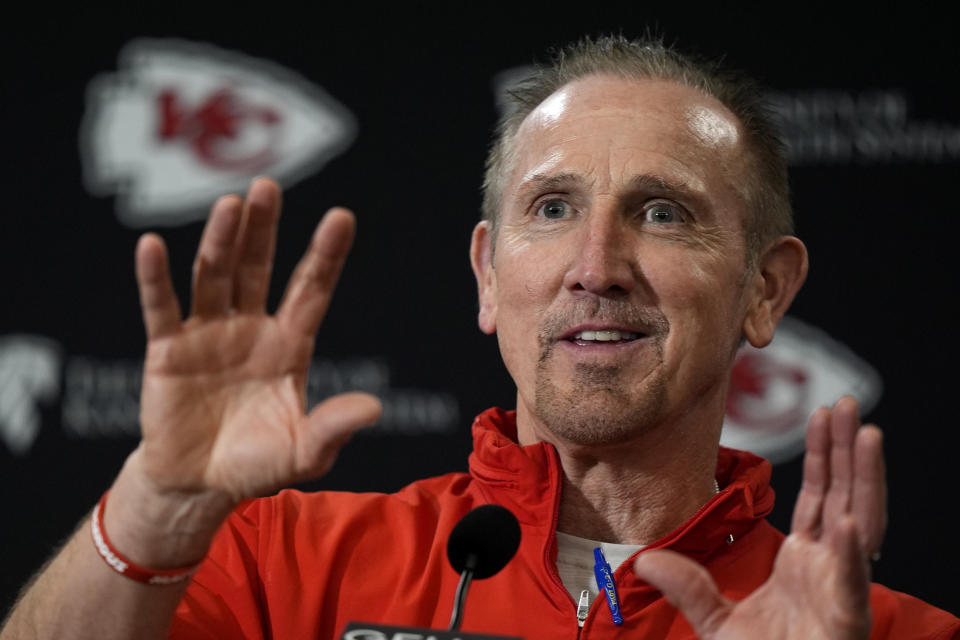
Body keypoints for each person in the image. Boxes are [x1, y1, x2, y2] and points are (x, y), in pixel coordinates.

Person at [2, 35, 958, 640]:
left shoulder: (885, 632)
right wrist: (159, 505)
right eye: (551, 208)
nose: (597, 264)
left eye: (662, 214)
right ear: (488, 276)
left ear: (766, 288)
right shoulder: (281, 565)